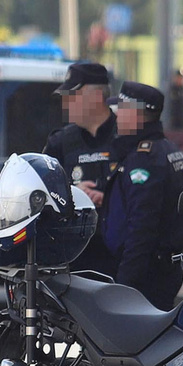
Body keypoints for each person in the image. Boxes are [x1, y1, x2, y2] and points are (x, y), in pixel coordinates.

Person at [102, 81, 183, 309]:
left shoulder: (144, 159)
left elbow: (142, 226)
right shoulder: (169, 150)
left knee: (132, 342)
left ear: (136, 115)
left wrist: (124, 285)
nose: (117, 118)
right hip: (162, 268)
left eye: (121, 111)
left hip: (147, 275)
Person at [44, 61, 119, 276]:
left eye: (72, 96)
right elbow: (40, 190)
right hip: (74, 259)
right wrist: (72, 192)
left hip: (118, 260)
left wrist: (109, 197)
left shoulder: (126, 138)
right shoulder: (60, 142)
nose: (66, 103)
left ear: (96, 97)